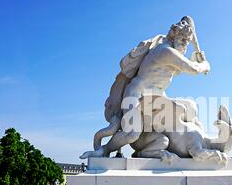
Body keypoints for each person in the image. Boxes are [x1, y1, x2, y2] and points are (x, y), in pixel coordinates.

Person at [80, 17, 210, 159]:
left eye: (187, 41)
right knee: (132, 133)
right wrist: (205, 64)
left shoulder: (173, 52)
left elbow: (182, 65)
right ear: (174, 37)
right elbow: (193, 69)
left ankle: (184, 144)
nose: (185, 44)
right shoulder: (167, 52)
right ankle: (105, 149)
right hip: (137, 94)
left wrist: (194, 58)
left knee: (191, 107)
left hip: (157, 95)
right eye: (183, 40)